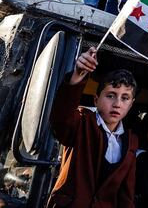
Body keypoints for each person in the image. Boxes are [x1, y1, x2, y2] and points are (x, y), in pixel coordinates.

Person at [47, 47, 138, 207]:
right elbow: (61, 119)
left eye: (125, 98)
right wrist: (78, 75)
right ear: (96, 100)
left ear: (131, 104)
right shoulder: (82, 122)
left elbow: (126, 193)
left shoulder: (131, 141)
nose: (117, 104)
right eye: (110, 95)